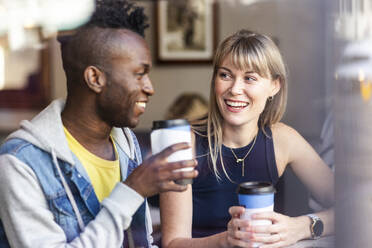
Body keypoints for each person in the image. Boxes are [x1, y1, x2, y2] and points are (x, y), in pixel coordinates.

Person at [0, 1, 197, 247]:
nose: (150, 87)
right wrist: (133, 190)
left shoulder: (125, 142)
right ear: (95, 78)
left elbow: (141, 241)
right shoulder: (20, 163)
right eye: (139, 74)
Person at [160, 29, 334, 248]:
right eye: (225, 75)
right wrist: (225, 240)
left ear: (274, 86)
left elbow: (353, 207)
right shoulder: (184, 143)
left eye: (250, 78)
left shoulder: (283, 139)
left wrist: (301, 226)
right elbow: (172, 243)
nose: (235, 89)